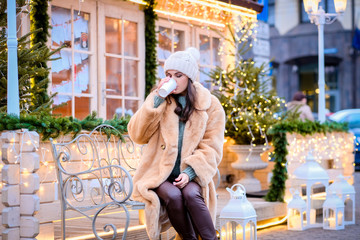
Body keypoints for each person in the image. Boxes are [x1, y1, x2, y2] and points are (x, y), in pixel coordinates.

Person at [127, 47, 225, 240]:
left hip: (190, 174)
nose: (173, 80)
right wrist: (156, 100)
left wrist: (189, 173)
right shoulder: (159, 100)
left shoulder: (210, 105)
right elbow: (137, 135)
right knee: (173, 195)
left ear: (189, 78)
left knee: (190, 195)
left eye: (178, 75)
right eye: (169, 75)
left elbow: (212, 148)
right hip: (159, 173)